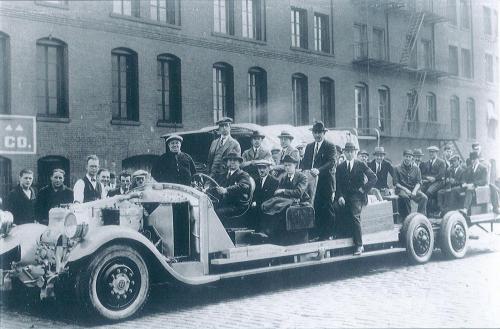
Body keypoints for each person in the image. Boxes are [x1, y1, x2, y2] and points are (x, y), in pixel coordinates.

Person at [334, 142, 377, 255]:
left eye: (351, 151)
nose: (349, 154)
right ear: (344, 152)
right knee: (334, 209)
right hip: (345, 196)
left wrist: (363, 189)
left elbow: (373, 178)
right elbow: (338, 185)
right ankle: (340, 237)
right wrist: (340, 196)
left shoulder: (361, 164)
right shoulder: (340, 167)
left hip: (357, 196)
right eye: (347, 151)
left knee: (355, 216)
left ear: (355, 152)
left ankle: (359, 245)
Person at [300, 121, 337, 240]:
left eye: (319, 132)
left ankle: (329, 234)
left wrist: (319, 170)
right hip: (311, 183)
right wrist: (305, 172)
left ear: (324, 133)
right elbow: (305, 162)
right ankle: (316, 233)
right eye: (315, 132)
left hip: (325, 182)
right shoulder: (310, 146)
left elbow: (331, 162)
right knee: (314, 206)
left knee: (326, 207)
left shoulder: (330, 146)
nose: (317, 135)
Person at [261, 155, 309, 241]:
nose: (287, 168)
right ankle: (270, 232)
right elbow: (278, 191)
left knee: (279, 206)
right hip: (285, 199)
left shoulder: (302, 177)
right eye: (285, 165)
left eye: (289, 165)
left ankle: (272, 231)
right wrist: (279, 193)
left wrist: (283, 191)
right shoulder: (284, 177)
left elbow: (299, 192)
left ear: (295, 165)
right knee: (269, 204)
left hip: (298, 201)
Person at [213, 152, 252, 222]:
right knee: (207, 209)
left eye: (235, 160)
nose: (232, 162)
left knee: (215, 213)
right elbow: (216, 187)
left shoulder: (243, 175)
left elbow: (244, 186)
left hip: (237, 206)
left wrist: (226, 190)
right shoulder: (223, 175)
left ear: (239, 163)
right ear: (227, 163)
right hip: (224, 203)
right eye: (230, 160)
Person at [393, 150, 428, 220]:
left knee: (424, 198)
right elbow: (396, 183)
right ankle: (407, 219)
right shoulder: (397, 168)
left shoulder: (416, 169)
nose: (408, 158)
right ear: (403, 157)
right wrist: (405, 189)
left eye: (409, 157)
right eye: (406, 156)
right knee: (405, 197)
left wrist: (414, 191)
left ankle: (421, 217)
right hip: (401, 189)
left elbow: (419, 182)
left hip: (412, 189)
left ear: (412, 158)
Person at [251, 159, 279, 230]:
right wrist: (254, 201)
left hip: (268, 209)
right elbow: (253, 195)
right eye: (259, 168)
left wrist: (256, 203)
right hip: (257, 209)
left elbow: (271, 198)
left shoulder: (274, 181)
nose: (262, 170)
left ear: (269, 169)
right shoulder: (256, 181)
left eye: (264, 168)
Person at [421, 146, 446, 215]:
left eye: (433, 152)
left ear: (436, 153)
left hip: (439, 182)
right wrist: (427, 178)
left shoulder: (441, 162)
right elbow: (423, 174)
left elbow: (441, 174)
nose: (431, 154)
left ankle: (428, 212)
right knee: (421, 190)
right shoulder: (427, 163)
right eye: (430, 152)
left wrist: (434, 178)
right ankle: (423, 210)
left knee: (428, 192)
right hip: (429, 182)